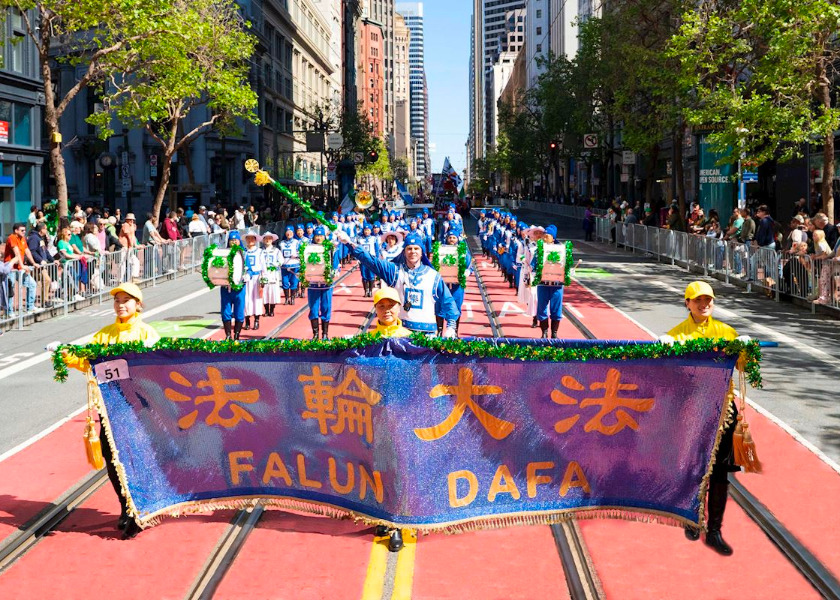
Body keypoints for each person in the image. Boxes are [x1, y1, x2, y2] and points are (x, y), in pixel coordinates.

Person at [60, 282, 160, 539]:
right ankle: (126, 506)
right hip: (110, 409)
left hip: (138, 410)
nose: (121, 305)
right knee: (112, 459)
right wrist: (65, 355)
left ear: (138, 304)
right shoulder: (104, 335)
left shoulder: (147, 334)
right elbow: (87, 361)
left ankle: (140, 509)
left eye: (127, 300)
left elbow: (156, 369)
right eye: (117, 301)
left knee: (135, 460)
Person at [659, 281, 749, 556]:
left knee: (721, 473)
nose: (704, 304)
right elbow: (668, 375)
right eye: (698, 300)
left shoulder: (726, 331)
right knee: (693, 468)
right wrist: (666, 351)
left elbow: (743, 366)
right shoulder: (677, 334)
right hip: (691, 410)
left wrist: (745, 349)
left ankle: (715, 531)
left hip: (723, 409)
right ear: (687, 303)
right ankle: (691, 518)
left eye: (708, 299)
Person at [340, 230, 459, 336]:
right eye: (409, 248)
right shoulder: (395, 271)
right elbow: (371, 261)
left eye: (416, 248)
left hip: (427, 335)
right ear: (404, 252)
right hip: (400, 333)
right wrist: (349, 243)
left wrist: (451, 326)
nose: (413, 252)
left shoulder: (433, 276)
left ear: (422, 252)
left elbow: (448, 301)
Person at [369, 285, 411, 552]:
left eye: (391, 305)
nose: (386, 310)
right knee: (379, 465)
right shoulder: (368, 339)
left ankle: (396, 523)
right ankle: (382, 515)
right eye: (381, 306)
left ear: (399, 308)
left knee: (399, 465)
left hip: (402, 411)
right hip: (374, 412)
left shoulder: (409, 339)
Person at [305, 226, 342, 340]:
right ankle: (315, 334)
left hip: (326, 284)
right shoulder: (307, 248)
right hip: (313, 283)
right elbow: (304, 263)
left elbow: (336, 264)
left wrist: (335, 272)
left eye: (321, 236)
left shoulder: (330, 248)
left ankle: (325, 334)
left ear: (325, 236)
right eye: (317, 236)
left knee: (326, 307)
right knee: (313, 308)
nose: (319, 238)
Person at [437, 222, 473, 335]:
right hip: (443, 285)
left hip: (457, 285)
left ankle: (455, 332)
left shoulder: (463, 251)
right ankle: (439, 331)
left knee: (456, 307)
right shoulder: (440, 249)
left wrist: (467, 272)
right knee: (440, 307)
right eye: (450, 237)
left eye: (454, 237)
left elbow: (469, 265)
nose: (452, 239)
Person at [532, 225, 566, 338]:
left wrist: (568, 271)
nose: (544, 238)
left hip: (557, 285)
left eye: (547, 236)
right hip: (543, 284)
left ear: (553, 238)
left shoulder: (561, 250)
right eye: (544, 236)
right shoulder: (539, 249)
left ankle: (554, 333)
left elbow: (566, 264)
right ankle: (544, 332)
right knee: (541, 308)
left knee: (556, 309)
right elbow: (533, 264)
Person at [3, 222, 38, 315]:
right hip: (11, 268)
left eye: (24, 230)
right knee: (11, 289)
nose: (24, 232)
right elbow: (16, 252)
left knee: (32, 284)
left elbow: (27, 251)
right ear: (16, 231)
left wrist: (34, 263)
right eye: (22, 230)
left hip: (19, 268)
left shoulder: (22, 238)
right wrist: (22, 266)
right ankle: (9, 311)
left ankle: (30, 307)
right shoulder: (12, 238)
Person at [220, 231, 247, 340]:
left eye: (235, 240)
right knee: (225, 311)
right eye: (231, 240)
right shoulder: (224, 253)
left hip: (239, 288)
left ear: (239, 241)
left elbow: (248, 268)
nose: (234, 242)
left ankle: (236, 335)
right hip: (226, 288)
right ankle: (227, 335)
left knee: (239, 311)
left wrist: (247, 276)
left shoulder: (244, 253)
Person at [242, 230, 265, 331]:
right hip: (246, 278)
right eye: (248, 238)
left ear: (255, 240)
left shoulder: (260, 251)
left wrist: (264, 278)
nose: (250, 240)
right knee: (246, 299)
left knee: (257, 299)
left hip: (257, 278)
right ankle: (247, 320)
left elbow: (263, 266)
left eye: (252, 238)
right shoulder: (243, 252)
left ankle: (256, 320)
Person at [356, 222, 380, 297]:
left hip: (371, 259)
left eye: (368, 230)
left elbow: (376, 250)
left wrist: (377, 259)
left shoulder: (374, 239)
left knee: (371, 275)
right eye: (365, 230)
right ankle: (365, 291)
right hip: (363, 259)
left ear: (371, 231)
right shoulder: (360, 239)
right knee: (364, 275)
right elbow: (357, 250)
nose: (366, 231)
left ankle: (370, 290)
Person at [279, 225, 301, 305]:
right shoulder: (281, 243)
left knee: (293, 282)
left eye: (290, 232)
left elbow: (301, 253)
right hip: (284, 265)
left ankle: (292, 298)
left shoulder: (297, 242)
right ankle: (286, 298)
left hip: (294, 265)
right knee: (285, 282)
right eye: (287, 232)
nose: (289, 234)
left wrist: (297, 255)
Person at [261, 232, 282, 316]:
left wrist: (276, 264)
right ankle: (266, 310)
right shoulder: (260, 250)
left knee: (273, 292)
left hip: (273, 273)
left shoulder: (276, 250)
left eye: (269, 238)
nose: (267, 240)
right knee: (264, 291)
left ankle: (272, 309)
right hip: (263, 273)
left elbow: (281, 260)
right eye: (266, 238)